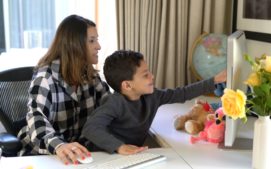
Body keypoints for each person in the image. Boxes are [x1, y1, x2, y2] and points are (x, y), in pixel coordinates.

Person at [82, 50, 226, 155]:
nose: (152, 76)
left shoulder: (152, 96)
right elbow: (90, 128)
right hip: (103, 156)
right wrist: (119, 146)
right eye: (145, 75)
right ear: (127, 85)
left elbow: (181, 93)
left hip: (128, 156)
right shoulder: (114, 103)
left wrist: (214, 81)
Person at [17, 15, 110, 165]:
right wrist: (59, 145)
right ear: (74, 44)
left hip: (78, 155)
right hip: (42, 155)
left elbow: (110, 107)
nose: (98, 46)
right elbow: (36, 117)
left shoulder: (91, 76)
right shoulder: (45, 77)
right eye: (92, 41)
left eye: (97, 40)